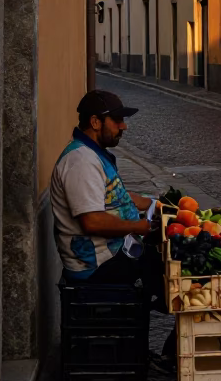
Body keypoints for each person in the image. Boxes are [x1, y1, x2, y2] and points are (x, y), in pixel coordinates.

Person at [50, 89, 167, 315]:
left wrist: (155, 204)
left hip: (111, 255)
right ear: (95, 122)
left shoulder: (94, 154)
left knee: (166, 256)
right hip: (96, 267)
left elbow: (115, 196)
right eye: (117, 120)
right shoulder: (80, 162)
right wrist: (140, 227)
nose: (123, 127)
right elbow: (92, 222)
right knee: (161, 264)